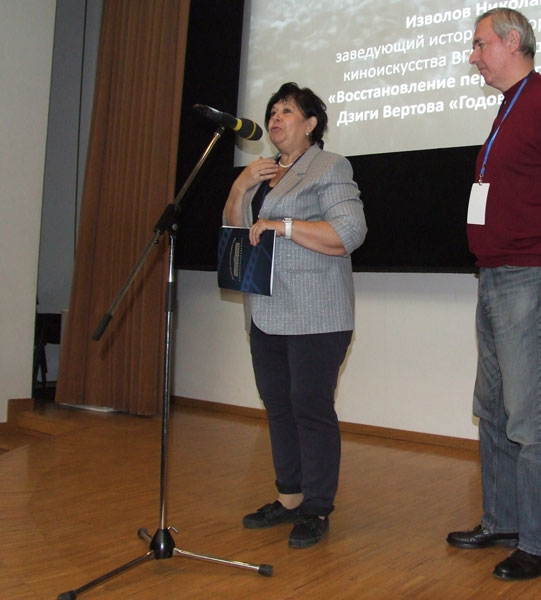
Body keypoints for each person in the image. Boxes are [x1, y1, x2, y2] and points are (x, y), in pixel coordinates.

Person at [446, 8, 541, 581]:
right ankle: (504, 520)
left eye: (479, 44)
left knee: (530, 416)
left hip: (532, 274)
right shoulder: (511, 108)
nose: (473, 56)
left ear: (512, 42)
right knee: (493, 408)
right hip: (495, 275)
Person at [223, 82, 366, 549]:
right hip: (265, 310)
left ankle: (317, 507)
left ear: (311, 124)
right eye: (273, 111)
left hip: (316, 312)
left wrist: (283, 226)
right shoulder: (261, 173)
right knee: (278, 405)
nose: (276, 118)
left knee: (310, 406)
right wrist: (241, 186)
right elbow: (235, 232)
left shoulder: (329, 166)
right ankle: (289, 497)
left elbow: (349, 232)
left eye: (287, 111)